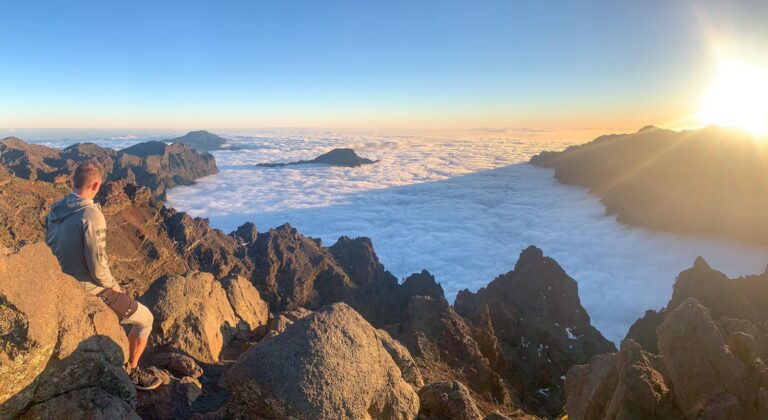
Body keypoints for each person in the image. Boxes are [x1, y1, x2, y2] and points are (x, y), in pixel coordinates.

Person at [45, 161, 161, 391]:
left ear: (72, 181)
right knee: (146, 320)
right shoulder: (91, 215)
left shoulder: (55, 209)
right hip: (88, 289)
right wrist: (115, 286)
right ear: (97, 184)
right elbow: (97, 267)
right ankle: (131, 370)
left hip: (58, 281)